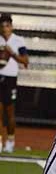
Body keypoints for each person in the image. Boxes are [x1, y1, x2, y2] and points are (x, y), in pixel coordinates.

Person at [0, 13, 28, 153]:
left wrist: (11, 53)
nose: (5, 28)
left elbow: (25, 61)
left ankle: (10, 140)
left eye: (7, 25)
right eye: (2, 25)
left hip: (11, 78)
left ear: (11, 26)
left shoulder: (18, 41)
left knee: (9, 112)